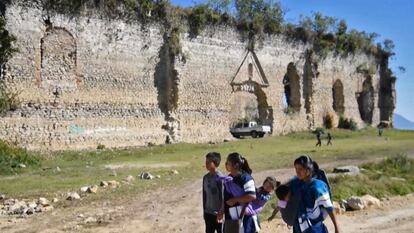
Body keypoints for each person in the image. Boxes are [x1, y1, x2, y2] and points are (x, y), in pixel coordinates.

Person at [293, 155, 340, 233]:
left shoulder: (317, 187)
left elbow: (329, 208)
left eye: (300, 169)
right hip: (300, 227)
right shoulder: (298, 184)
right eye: (296, 169)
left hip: (314, 228)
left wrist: (337, 227)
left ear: (308, 170)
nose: (297, 172)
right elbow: (284, 195)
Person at [217, 152, 256, 233]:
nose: (225, 164)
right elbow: (226, 197)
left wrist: (235, 200)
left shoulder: (246, 178)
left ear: (235, 165)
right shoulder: (229, 179)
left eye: (228, 162)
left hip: (244, 217)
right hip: (231, 217)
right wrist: (221, 211)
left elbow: (252, 196)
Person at [203, 152, 223, 233]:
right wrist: (204, 211)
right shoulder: (205, 178)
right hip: (208, 213)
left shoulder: (220, 178)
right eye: (206, 161)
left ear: (215, 163)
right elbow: (204, 195)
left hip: (218, 214)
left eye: (209, 162)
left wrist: (221, 212)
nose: (206, 164)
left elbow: (223, 196)